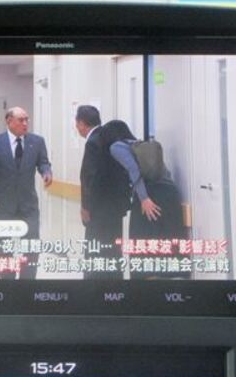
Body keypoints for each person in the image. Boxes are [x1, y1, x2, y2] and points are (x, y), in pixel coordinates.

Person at [98, 120, 185, 279]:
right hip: (170, 194)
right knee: (166, 239)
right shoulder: (140, 145)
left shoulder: (116, 147)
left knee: (141, 241)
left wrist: (144, 198)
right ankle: (172, 278)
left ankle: (145, 284)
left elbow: (133, 170)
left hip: (150, 195)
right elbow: (165, 172)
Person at [0, 107, 52, 279]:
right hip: (3, 202)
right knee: (3, 245)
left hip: (28, 203)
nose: (25, 123)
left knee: (31, 245)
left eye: (27, 119)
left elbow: (43, 162)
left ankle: (27, 283)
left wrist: (46, 172)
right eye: (21, 120)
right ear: (9, 121)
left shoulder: (37, 141)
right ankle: (7, 282)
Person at [75, 105, 128, 280]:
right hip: (115, 208)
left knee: (95, 250)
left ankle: (94, 288)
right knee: (113, 250)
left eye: (77, 123)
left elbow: (91, 178)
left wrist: (86, 207)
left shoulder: (93, 142)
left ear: (81, 123)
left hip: (98, 210)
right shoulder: (110, 137)